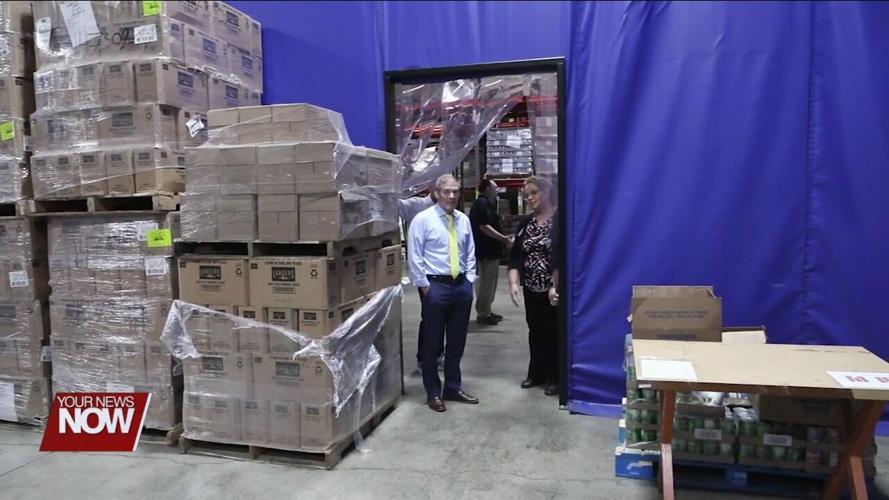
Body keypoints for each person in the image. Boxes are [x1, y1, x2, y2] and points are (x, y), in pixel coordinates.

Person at [408, 174, 479, 412]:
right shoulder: (423, 220)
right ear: (437, 193)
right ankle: (433, 392)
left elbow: (470, 252)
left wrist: (469, 280)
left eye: (456, 191)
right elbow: (415, 256)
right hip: (435, 287)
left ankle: (452, 387)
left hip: (461, 287)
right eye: (447, 191)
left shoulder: (463, 220)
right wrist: (424, 286)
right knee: (432, 343)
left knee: (457, 341)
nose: (452, 196)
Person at [508, 176, 559, 396]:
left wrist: (555, 284)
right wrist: (513, 282)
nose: (529, 198)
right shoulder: (526, 223)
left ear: (546, 192)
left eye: (533, 193)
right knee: (535, 330)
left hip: (553, 290)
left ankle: (555, 377)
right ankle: (536, 373)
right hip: (531, 288)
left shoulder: (559, 220)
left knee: (553, 332)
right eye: (526, 195)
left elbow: (563, 255)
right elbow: (515, 255)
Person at [469, 179, 511, 325]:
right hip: (486, 251)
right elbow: (484, 226)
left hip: (490, 251)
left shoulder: (486, 204)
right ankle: (483, 313)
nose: (496, 190)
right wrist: (504, 238)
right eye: (494, 187)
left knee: (490, 283)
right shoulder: (481, 204)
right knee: (486, 283)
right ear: (487, 189)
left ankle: (486, 310)